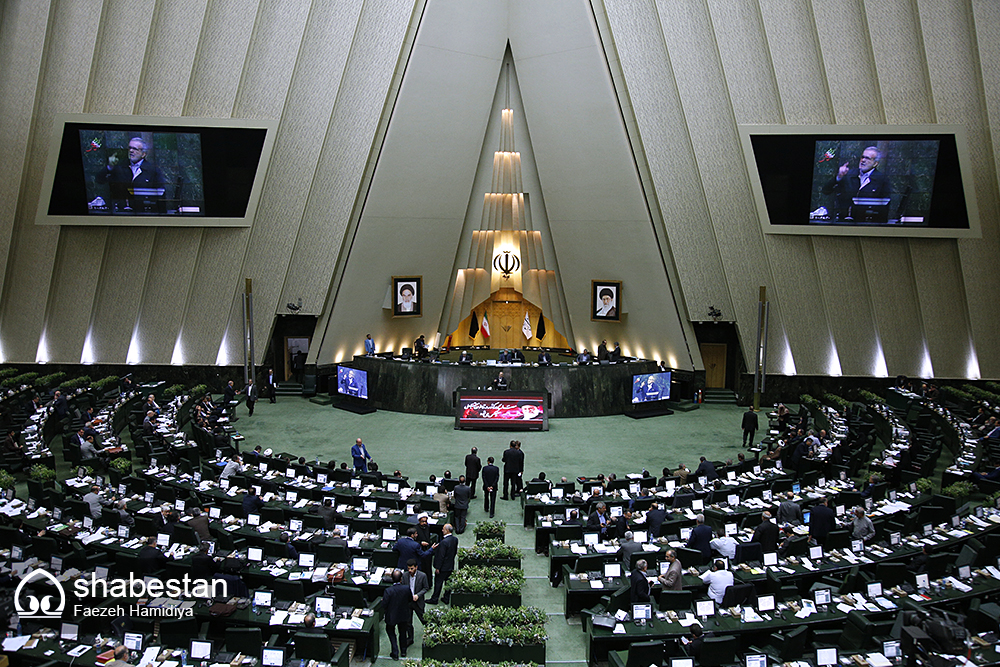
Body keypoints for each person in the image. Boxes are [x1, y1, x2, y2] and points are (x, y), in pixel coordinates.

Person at [96, 136, 166, 213]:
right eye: (130, 148)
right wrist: (110, 166)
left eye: (135, 149)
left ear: (143, 154)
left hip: (143, 212)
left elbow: (161, 193)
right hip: (120, 212)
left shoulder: (152, 170)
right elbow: (99, 180)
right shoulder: (120, 166)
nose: (131, 151)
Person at [821, 146, 891, 221]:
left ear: (875, 163)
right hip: (843, 221)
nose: (863, 160)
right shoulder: (848, 174)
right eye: (862, 157)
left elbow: (884, 206)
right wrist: (839, 177)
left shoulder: (881, 180)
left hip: (866, 223)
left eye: (867, 158)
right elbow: (826, 191)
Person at [382, 569, 412, 660]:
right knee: (403, 632)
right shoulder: (406, 588)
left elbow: (384, 605)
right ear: (401, 579)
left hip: (391, 615)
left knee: (391, 632)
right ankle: (403, 651)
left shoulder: (388, 591)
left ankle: (395, 652)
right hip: (403, 614)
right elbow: (410, 599)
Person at [428, 523, 457, 605]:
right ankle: (446, 598)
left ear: (447, 530)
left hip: (442, 567)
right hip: (450, 565)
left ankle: (434, 599)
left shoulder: (444, 542)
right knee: (448, 583)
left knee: (438, 583)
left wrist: (438, 567)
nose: (442, 530)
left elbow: (441, 556)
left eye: (443, 529)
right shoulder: (455, 539)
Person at [403, 558, 429, 628]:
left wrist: (418, 595)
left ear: (416, 567)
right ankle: (410, 638)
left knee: (424, 620)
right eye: (408, 569)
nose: (410, 571)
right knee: (408, 623)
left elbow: (426, 588)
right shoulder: (405, 576)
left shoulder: (422, 576)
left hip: (418, 602)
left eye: (412, 568)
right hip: (408, 602)